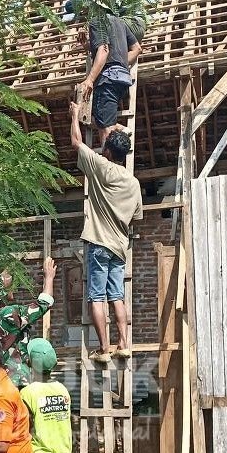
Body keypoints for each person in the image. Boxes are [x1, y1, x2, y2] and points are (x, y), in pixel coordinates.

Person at [70, 100, 142, 364]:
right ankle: (124, 344)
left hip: (100, 244)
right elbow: (135, 217)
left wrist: (75, 114)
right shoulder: (133, 182)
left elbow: (77, 142)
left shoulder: (102, 167)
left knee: (96, 297)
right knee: (117, 296)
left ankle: (104, 348)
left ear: (109, 151)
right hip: (120, 248)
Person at [74, 5, 141, 145]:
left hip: (107, 81)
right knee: (105, 122)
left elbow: (103, 50)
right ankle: (121, 130)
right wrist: (120, 62)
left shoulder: (97, 21)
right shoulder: (120, 23)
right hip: (122, 80)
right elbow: (137, 49)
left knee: (106, 131)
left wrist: (90, 79)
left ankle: (110, 163)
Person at [0, 257, 57, 386]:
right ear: (2, 290)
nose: (13, 290)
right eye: (11, 287)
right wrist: (49, 278)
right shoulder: (8, 313)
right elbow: (44, 304)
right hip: (14, 379)